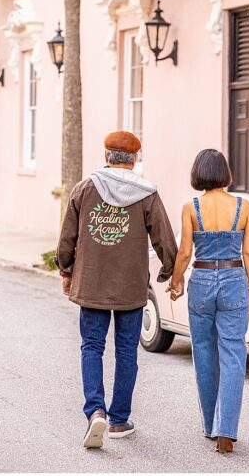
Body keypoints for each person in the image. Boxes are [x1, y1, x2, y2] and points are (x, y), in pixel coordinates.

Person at [56, 131, 178, 449]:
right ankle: (119, 420)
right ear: (135, 159)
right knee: (126, 352)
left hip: (92, 282)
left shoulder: (84, 189)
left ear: (106, 156)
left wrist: (65, 270)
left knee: (92, 347)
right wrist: (170, 270)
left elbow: (67, 238)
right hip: (130, 286)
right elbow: (164, 238)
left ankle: (95, 410)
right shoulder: (146, 194)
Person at [167, 148, 249, 454]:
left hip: (203, 282)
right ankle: (226, 432)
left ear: (198, 173)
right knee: (232, 354)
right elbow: (248, 253)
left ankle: (210, 425)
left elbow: (184, 253)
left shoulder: (190, 207)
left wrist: (177, 281)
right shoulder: (244, 207)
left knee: (204, 353)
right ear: (225, 174)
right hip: (234, 279)